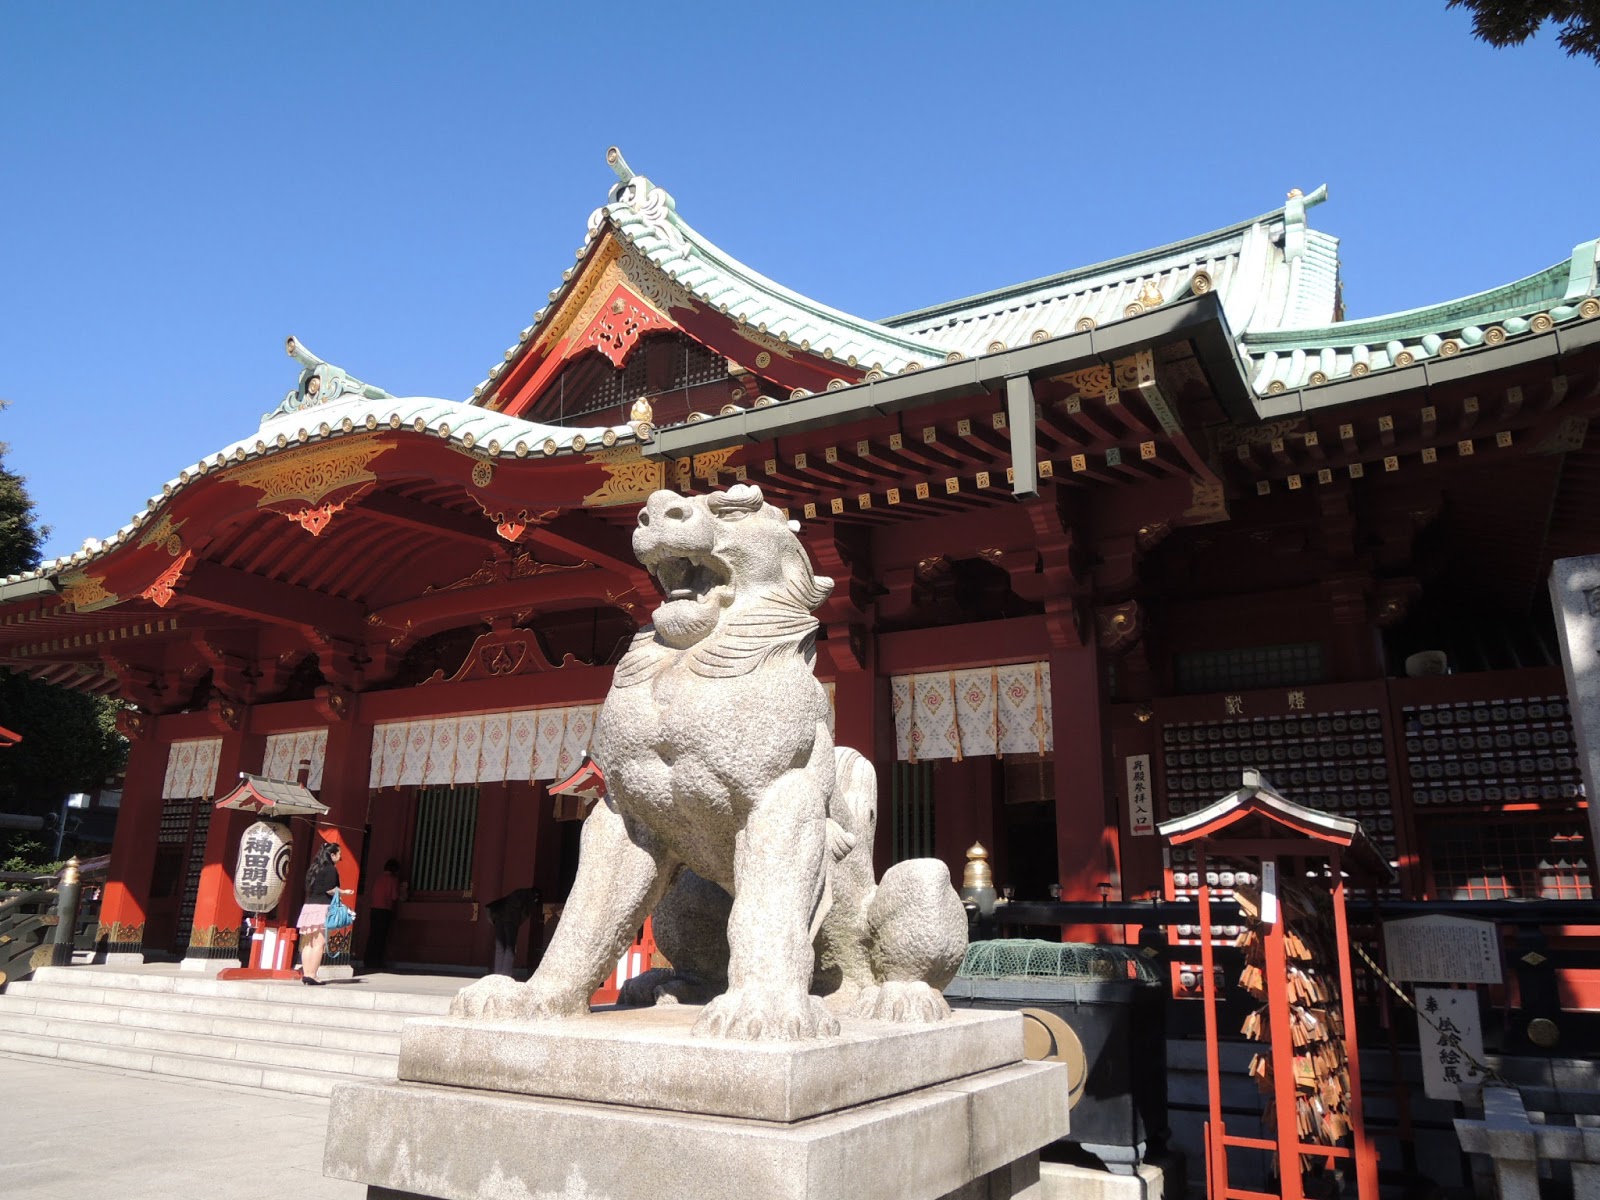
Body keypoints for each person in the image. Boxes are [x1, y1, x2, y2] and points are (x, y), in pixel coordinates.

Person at [297, 840, 348, 985]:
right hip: (322, 907)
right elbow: (330, 889)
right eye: (339, 854)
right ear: (332, 855)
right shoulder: (331, 869)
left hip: (308, 907)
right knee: (319, 944)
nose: (340, 857)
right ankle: (313, 974)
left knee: (308, 943)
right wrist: (344, 892)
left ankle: (306, 973)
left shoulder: (314, 868)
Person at [364, 858, 401, 972]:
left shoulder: (378, 878)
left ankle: (368, 960)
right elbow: (395, 896)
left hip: (374, 908)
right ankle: (377, 961)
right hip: (385, 909)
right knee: (381, 937)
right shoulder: (393, 880)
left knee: (373, 935)